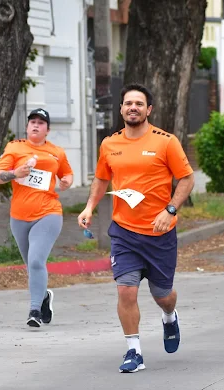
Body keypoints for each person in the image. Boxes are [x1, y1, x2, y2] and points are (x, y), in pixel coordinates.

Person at [77, 83, 195, 373]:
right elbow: (101, 179)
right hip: (124, 232)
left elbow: (187, 179)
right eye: (128, 103)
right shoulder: (109, 144)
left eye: (139, 104)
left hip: (159, 233)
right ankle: (134, 351)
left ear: (148, 109)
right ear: (121, 109)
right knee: (126, 291)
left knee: (162, 294)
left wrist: (170, 210)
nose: (133, 108)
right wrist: (89, 207)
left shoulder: (166, 142)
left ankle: (170, 316)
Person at [0, 108, 74, 327]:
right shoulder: (14, 147)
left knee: (37, 260)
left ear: (48, 129)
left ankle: (34, 311)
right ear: (27, 127)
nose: (36, 125)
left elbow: (67, 173)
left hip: (48, 213)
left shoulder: (57, 152)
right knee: (31, 266)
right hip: (19, 216)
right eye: (32, 122)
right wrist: (15, 173)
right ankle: (44, 296)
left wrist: (66, 181)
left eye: (41, 122)